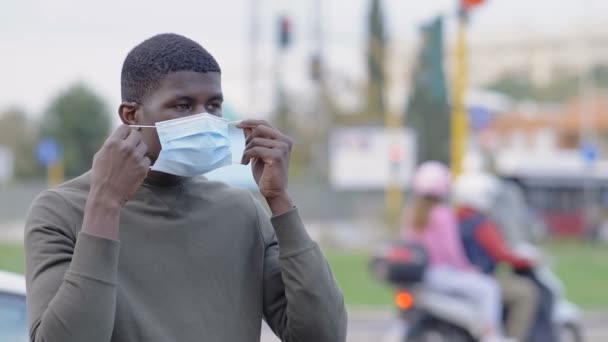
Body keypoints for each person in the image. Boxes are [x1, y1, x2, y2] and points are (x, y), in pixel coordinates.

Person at [24, 33, 347, 342]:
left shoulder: (242, 212)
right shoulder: (61, 211)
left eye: (214, 105)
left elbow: (323, 335)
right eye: (183, 105)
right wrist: (105, 204)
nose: (203, 118)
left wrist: (279, 201)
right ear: (131, 115)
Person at [402, 161, 507, 342]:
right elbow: (451, 251)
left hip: (421, 276)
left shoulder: (412, 214)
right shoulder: (443, 213)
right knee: (489, 288)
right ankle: (491, 334)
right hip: (441, 274)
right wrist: (467, 269)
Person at [453, 172, 540, 342]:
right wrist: (526, 260)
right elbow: (500, 253)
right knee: (526, 293)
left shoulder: (456, 219)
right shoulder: (481, 224)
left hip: (462, 276)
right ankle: (512, 337)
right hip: (481, 278)